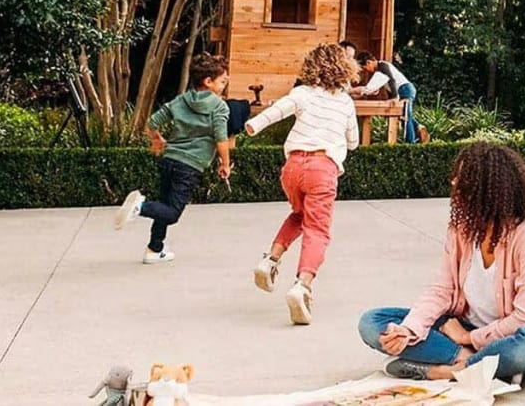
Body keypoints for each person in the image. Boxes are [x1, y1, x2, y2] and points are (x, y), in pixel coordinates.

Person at [358, 143, 525, 382]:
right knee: (372, 323)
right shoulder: (462, 230)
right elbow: (442, 290)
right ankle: (482, 364)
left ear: (491, 189)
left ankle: (450, 370)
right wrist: (408, 330)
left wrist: (469, 339)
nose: (455, 184)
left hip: (512, 336)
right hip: (460, 329)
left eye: (464, 180)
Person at [243, 43, 361, 325]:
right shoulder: (345, 103)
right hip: (323, 168)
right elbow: (354, 141)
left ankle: (270, 259)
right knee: (318, 230)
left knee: (300, 214)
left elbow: (276, 112)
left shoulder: (302, 93)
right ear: (344, 70)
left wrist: (253, 126)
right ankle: (302, 286)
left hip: (293, 167)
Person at [115, 55, 233, 264]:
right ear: (208, 81)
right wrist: (224, 164)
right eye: (222, 80)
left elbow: (152, 122)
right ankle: (139, 207)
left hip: (169, 160)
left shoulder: (181, 100)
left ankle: (154, 249)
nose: (225, 84)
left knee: (164, 204)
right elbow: (221, 139)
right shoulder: (219, 106)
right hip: (189, 166)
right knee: (172, 213)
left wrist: (157, 139)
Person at [352, 51, 420, 144]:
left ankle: (411, 143)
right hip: (403, 90)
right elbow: (379, 86)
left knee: (405, 117)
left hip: (405, 89)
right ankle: (419, 127)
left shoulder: (382, 66)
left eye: (365, 68)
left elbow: (392, 80)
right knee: (405, 114)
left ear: (369, 62)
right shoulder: (380, 68)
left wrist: (395, 96)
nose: (367, 70)